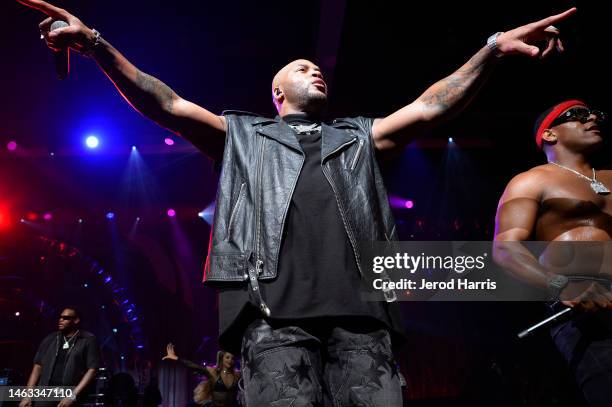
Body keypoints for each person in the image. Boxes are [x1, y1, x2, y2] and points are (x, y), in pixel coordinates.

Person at [17, 0, 576, 404]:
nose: (317, 70)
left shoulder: (360, 137)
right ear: (277, 93)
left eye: (321, 68)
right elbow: (165, 101)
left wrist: (493, 48)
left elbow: (432, 106)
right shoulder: (242, 135)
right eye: (301, 69)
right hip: (271, 315)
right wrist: (94, 44)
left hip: (362, 317)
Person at [494, 99, 611, 406]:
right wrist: (561, 285)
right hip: (581, 306)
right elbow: (506, 249)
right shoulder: (531, 181)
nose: (592, 118)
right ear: (549, 134)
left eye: (595, 113)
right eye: (579, 115)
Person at [19, 307, 100, 407]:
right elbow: (37, 367)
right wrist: (28, 395)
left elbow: (93, 369)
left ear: (76, 320)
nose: (61, 320)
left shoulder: (88, 340)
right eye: (60, 317)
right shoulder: (50, 339)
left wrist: (72, 396)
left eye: (66, 318)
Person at [162, 343, 239, 407]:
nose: (230, 360)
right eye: (227, 357)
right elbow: (194, 366)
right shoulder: (214, 373)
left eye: (232, 358)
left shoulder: (237, 375)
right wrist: (176, 358)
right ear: (222, 358)